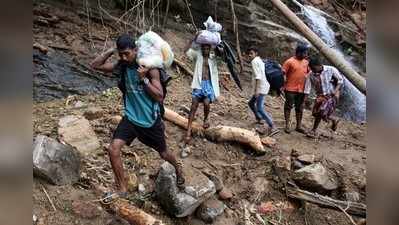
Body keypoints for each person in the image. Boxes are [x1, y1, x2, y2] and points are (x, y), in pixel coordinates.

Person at [90, 34, 185, 197]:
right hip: (131, 118)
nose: (124, 57)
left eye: (127, 53)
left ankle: (178, 169)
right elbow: (95, 65)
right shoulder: (123, 65)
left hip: (149, 120)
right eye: (121, 54)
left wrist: (144, 80)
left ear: (136, 50)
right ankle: (122, 188)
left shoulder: (149, 68)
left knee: (163, 153)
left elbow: (159, 96)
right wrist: (113, 51)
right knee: (113, 150)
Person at [183, 33, 220, 145]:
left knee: (206, 103)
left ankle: (206, 118)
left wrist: (219, 46)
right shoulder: (197, 56)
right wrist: (193, 39)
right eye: (204, 48)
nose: (205, 50)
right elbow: (185, 50)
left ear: (210, 49)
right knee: (193, 106)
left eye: (208, 48)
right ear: (201, 48)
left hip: (209, 85)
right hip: (198, 85)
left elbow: (221, 56)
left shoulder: (213, 59)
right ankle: (188, 131)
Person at [305, 56, 343, 138]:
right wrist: (305, 99)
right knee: (316, 113)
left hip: (331, 95)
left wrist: (335, 91)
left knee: (321, 111)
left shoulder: (331, 69)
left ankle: (313, 130)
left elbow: (340, 80)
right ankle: (333, 120)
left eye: (314, 68)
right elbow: (307, 88)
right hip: (320, 96)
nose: (313, 70)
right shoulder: (310, 74)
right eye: (311, 68)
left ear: (319, 65)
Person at [246, 47, 278, 136]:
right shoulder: (260, 60)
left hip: (261, 87)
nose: (249, 55)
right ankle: (259, 118)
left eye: (251, 53)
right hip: (265, 85)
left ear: (256, 53)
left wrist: (257, 91)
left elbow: (258, 77)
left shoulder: (254, 61)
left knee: (260, 107)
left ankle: (272, 125)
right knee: (251, 103)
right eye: (249, 53)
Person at [282, 44, 310, 134]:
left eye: (306, 53)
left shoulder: (306, 62)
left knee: (300, 108)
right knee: (288, 106)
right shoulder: (289, 61)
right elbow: (282, 73)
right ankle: (287, 125)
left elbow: (310, 74)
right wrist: (282, 85)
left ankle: (298, 126)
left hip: (301, 89)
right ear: (299, 53)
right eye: (304, 53)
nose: (306, 54)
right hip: (290, 88)